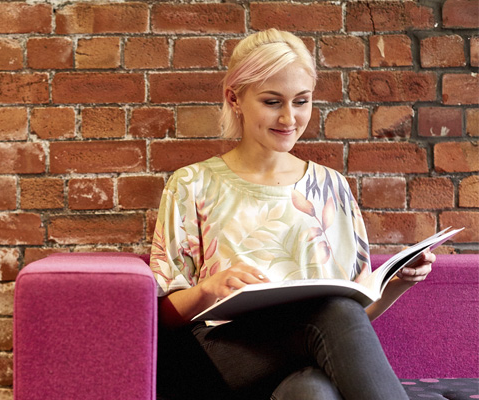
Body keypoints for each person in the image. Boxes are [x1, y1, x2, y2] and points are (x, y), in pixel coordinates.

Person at [149, 29, 435, 400]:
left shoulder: (330, 187)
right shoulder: (192, 184)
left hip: (299, 362)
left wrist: (396, 284)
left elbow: (348, 324)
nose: (289, 117)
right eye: (272, 102)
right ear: (234, 99)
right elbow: (159, 316)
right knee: (330, 318)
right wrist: (208, 289)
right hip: (217, 358)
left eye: (301, 101)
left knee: (313, 391)